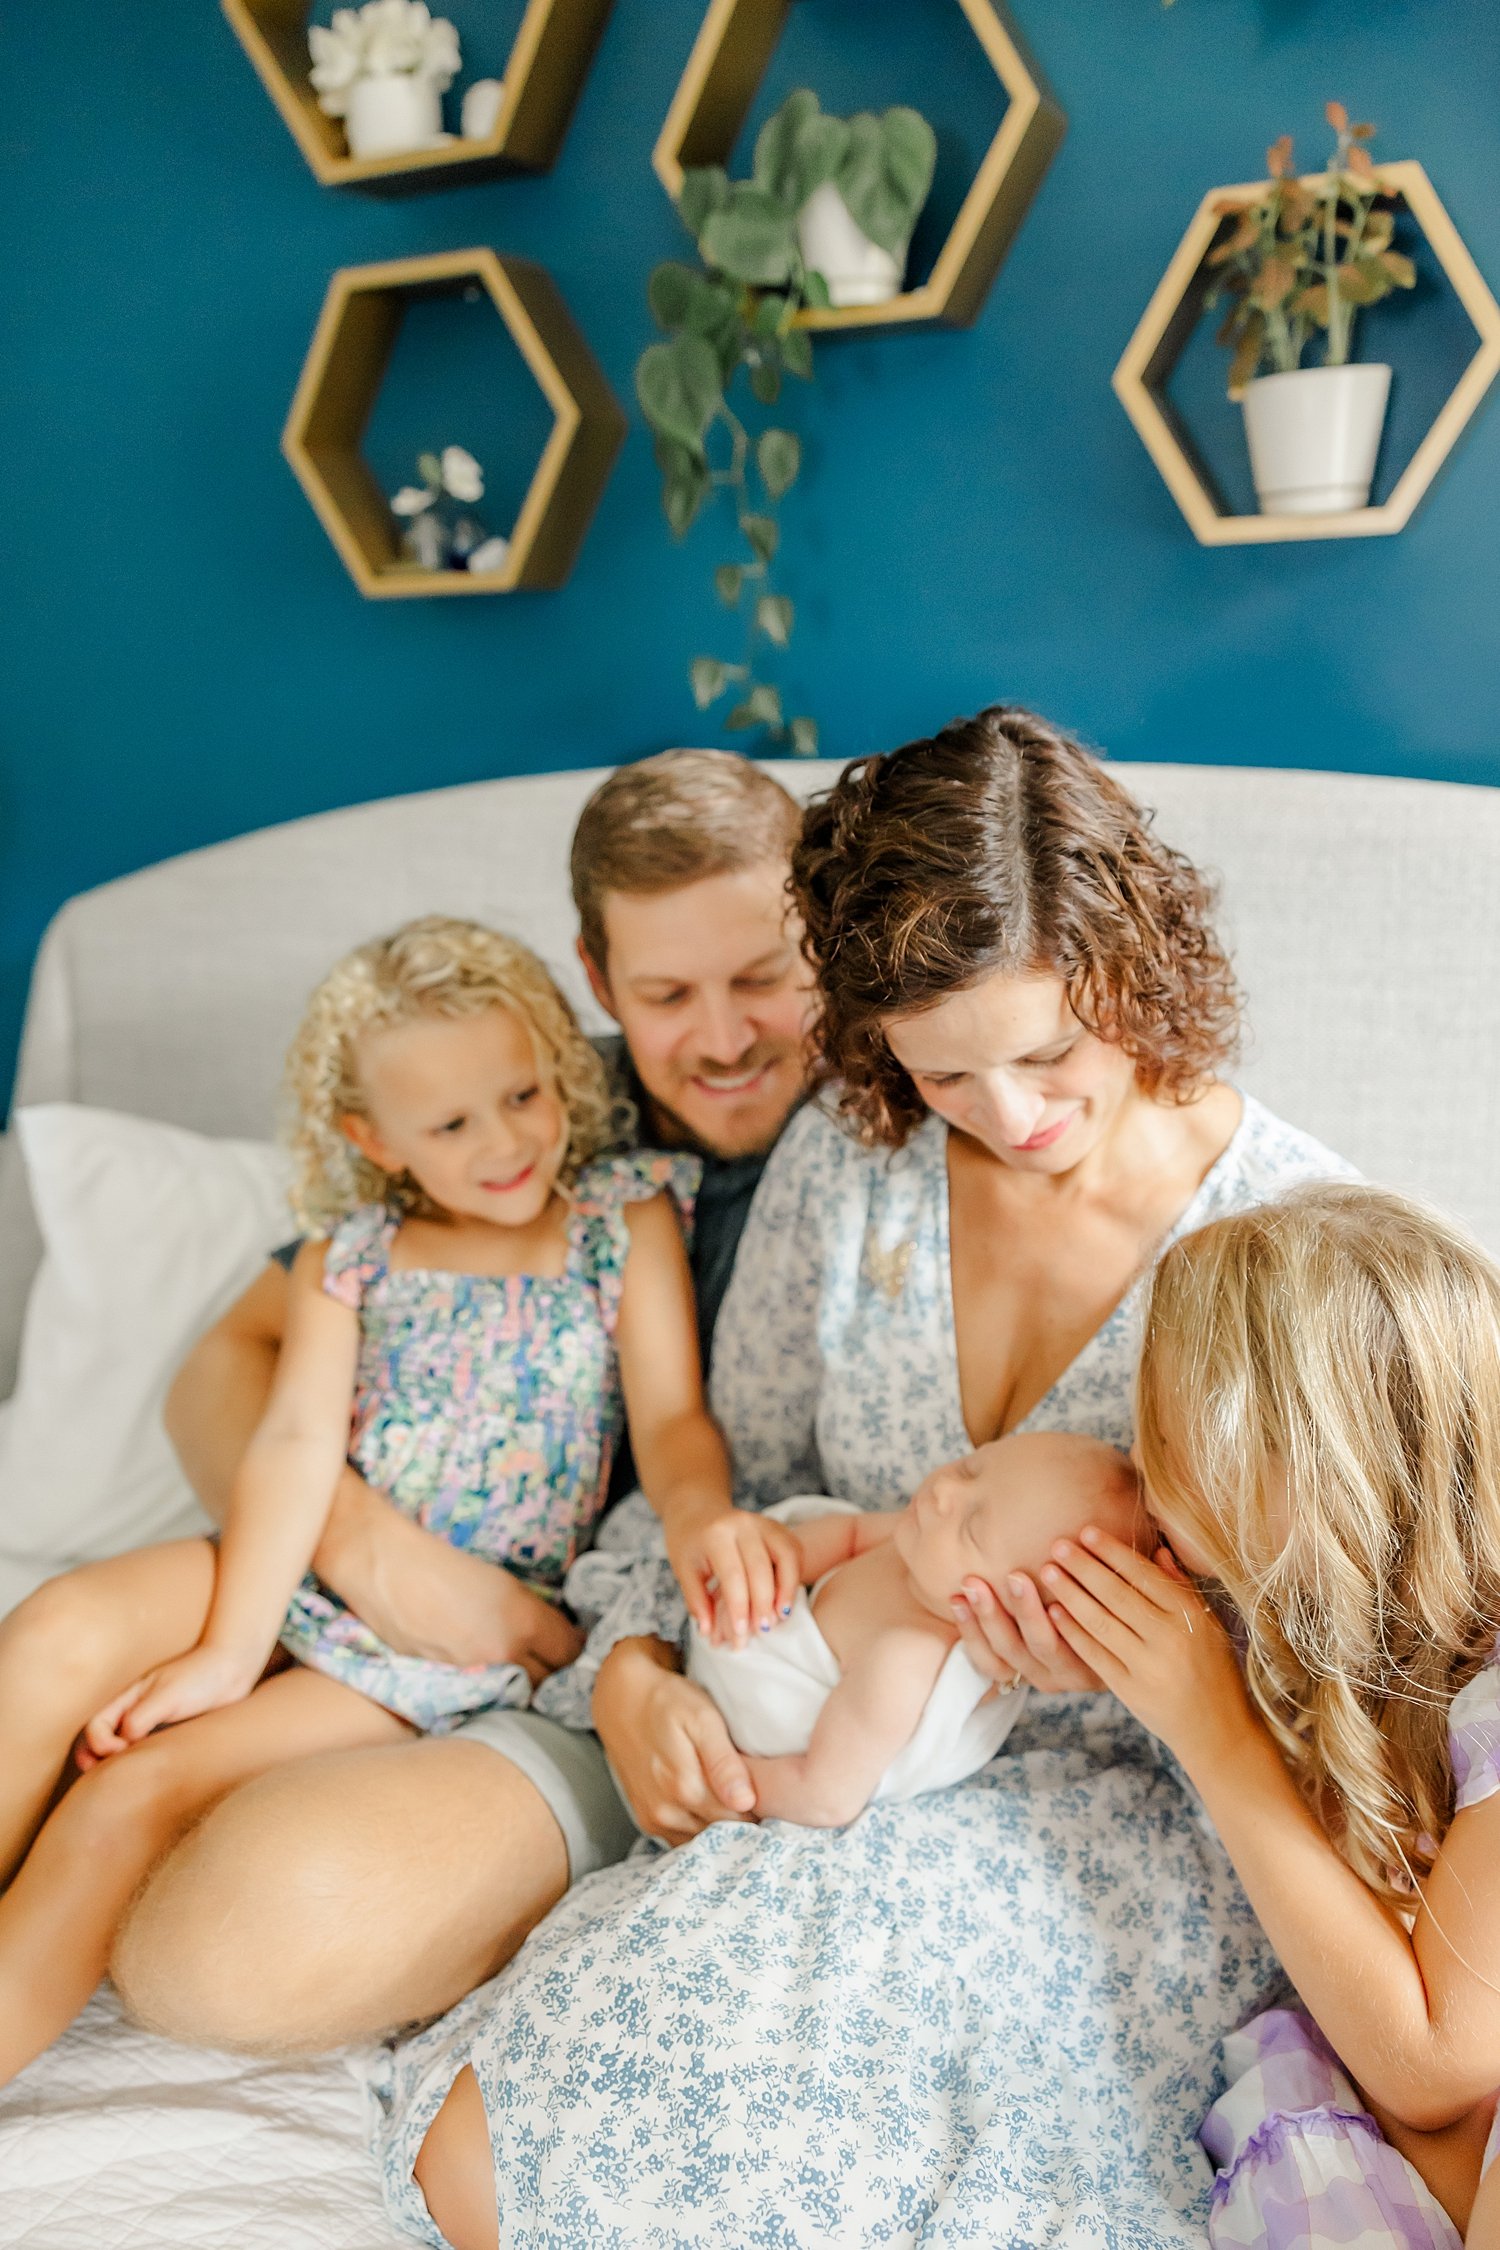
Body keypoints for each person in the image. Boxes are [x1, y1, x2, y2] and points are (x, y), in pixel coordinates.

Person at [366, 706, 1361, 2250]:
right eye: (951, 1071)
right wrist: (634, 1666)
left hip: (1112, 1831)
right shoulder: (860, 1150)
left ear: (1138, 963)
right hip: (815, 1767)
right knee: (485, 2155)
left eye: (1053, 1052)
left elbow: (1370, 1689)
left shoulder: (1299, 1244)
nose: (1014, 1116)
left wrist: (1158, 1673)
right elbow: (726, 1479)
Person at [100, 751, 813, 2057]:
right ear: (596, 982)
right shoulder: (530, 1104)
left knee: (231, 1925)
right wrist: (365, 1546)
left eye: (762, 975)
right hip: (434, 1607)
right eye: (665, 992)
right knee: (61, 1672)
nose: (719, 1035)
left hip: (646, 1661)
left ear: (819, 937)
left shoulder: (906, 1111)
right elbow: (229, 1364)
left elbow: (693, 1453)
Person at [0, 913, 747, 2089]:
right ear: (373, 1138)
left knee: (128, 1793)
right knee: (47, 1627)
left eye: (524, 1094)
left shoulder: (625, 1215)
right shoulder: (349, 1254)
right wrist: (227, 1653)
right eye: (450, 1124)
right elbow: (293, 1448)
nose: (506, 1142)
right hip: (293, 1567)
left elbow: (670, 1425)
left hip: (429, 1654)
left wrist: (703, 1519)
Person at [1043, 1182, 1500, 2250]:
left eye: (1170, 1447)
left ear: (1328, 1484)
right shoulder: (1328, 1629)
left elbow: (1434, 2063)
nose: (1141, 1480)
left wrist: (1213, 1734)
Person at [686, 1432, 1144, 1828]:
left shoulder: (904, 1662)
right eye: (971, 1468)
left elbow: (826, 1795)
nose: (945, 1491)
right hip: (733, 1641)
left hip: (761, 1743)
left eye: (973, 1528)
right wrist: (764, 1576)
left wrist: (722, 1779)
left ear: (1011, 1615)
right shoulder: (913, 1542)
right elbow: (846, 1534)